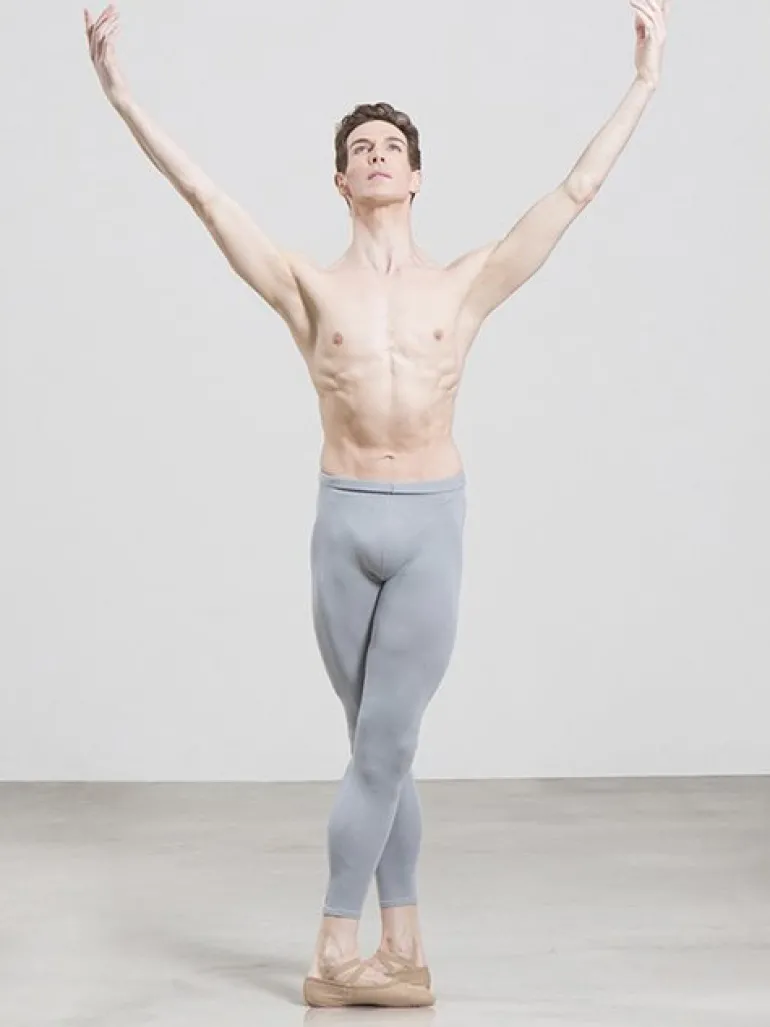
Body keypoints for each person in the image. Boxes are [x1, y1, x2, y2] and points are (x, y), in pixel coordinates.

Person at [84, 0, 670, 1008]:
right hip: (343, 527)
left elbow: (574, 191)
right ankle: (401, 944)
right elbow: (204, 196)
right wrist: (121, 95)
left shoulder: (465, 285)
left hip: (428, 524)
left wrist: (644, 83)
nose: (376, 155)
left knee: (384, 745)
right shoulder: (307, 289)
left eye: (391, 146)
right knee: (376, 749)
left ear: (416, 174)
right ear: (341, 180)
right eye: (359, 148)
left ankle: (330, 948)